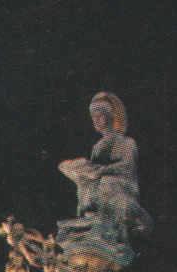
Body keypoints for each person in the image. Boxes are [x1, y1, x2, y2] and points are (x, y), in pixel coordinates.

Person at [59, 93, 153, 252]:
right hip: (97, 182)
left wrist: (103, 171)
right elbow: (91, 168)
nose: (95, 120)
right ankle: (88, 222)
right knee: (84, 184)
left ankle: (111, 230)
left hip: (120, 186)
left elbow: (127, 166)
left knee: (105, 184)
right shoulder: (97, 146)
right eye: (93, 117)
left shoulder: (126, 142)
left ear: (110, 117)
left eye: (99, 116)